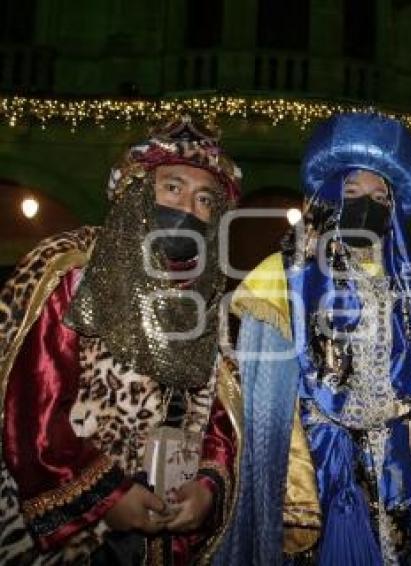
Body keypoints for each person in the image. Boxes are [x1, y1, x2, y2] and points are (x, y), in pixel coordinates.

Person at [0, 117, 242, 564]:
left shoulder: (208, 300)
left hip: (167, 541)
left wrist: (207, 488)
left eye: (205, 198)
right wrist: (106, 498)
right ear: (137, 188)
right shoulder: (72, 275)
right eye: (172, 187)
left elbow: (221, 423)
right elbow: (31, 411)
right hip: (75, 542)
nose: (189, 206)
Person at [215, 112, 411, 565]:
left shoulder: (404, 286)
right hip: (317, 471)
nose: (369, 204)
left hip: (393, 473)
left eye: (382, 196)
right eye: (352, 192)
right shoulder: (281, 277)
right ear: (327, 197)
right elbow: (266, 405)